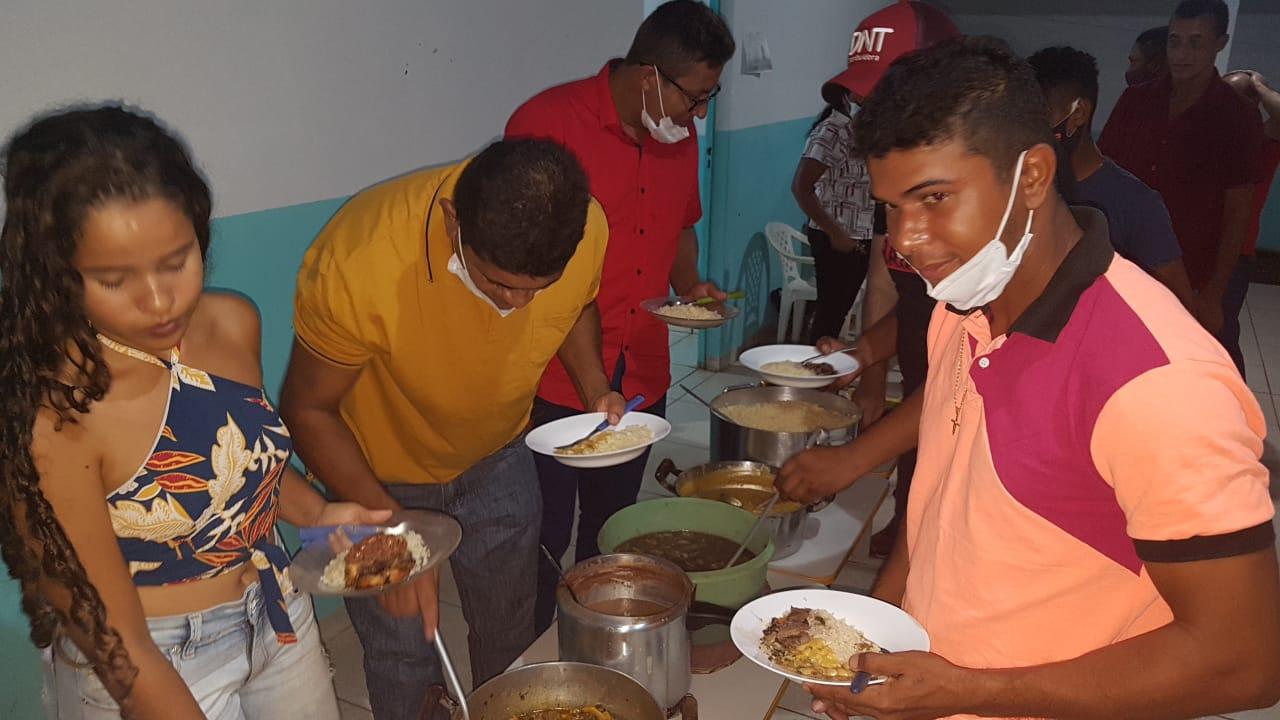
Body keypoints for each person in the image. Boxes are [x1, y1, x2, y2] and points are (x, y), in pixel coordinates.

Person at [775, 37, 1280, 720]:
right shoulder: (962, 306)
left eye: (933, 198)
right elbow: (940, 504)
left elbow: (1244, 662)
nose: (907, 239)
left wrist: (971, 691)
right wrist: (879, 639)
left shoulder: (1159, 383)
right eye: (892, 207)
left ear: (1034, 177)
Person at [0, 105, 387, 720]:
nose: (158, 301)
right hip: (145, 656)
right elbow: (113, 632)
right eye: (113, 279)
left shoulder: (231, 323)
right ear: (56, 274)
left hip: (275, 610)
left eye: (176, 261)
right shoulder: (56, 418)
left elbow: (239, 459)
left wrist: (318, 513)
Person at [279, 140, 610, 719]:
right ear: (454, 219)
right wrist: (392, 535)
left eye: (538, 286)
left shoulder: (586, 228)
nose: (517, 302)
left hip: (500, 458)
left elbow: (579, 304)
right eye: (500, 282)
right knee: (402, 652)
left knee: (510, 635)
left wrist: (595, 388)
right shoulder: (360, 257)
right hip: (371, 478)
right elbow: (306, 410)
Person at [504, 0, 734, 635]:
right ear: (650, 77)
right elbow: (520, 262)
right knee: (544, 530)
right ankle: (532, 655)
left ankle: (595, 641)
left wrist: (691, 286)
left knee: (611, 523)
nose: (701, 115)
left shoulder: (678, 136)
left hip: (641, 369)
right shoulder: (546, 124)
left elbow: (681, 225)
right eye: (697, 97)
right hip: (550, 374)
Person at [1100, 0, 1268, 376]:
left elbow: (1238, 212)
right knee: (1124, 359)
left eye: (1196, 42)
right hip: (1125, 264)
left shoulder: (1237, 116)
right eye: (1175, 41)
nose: (1182, 53)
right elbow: (1104, 174)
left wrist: (1214, 293)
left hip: (1191, 270)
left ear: (1219, 43)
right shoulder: (1137, 100)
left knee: (1193, 363)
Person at [1030, 46, 1196, 307]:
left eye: (1039, 116)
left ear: (1078, 114)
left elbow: (1179, 306)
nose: (1028, 131)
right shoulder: (1023, 188)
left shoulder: (1136, 204)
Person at [791, 88, 874, 343]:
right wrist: (835, 233)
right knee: (830, 314)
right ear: (851, 98)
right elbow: (801, 188)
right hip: (837, 237)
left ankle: (821, 372)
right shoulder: (832, 131)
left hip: (862, 233)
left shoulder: (865, 132)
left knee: (838, 312)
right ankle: (812, 372)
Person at [1224, 70, 1280, 259]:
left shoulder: (1262, 144)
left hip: (1236, 254)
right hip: (1188, 250)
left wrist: (1258, 86)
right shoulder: (1201, 139)